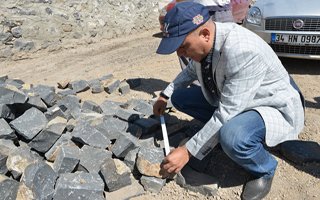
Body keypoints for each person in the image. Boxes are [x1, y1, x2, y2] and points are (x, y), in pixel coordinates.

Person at [153, 2, 305, 200]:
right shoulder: (208, 41)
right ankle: (220, 134)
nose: (180, 53)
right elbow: (190, 71)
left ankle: (265, 169)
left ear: (205, 34)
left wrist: (187, 151)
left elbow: (227, 113)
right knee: (179, 97)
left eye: (183, 46)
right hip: (235, 99)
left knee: (233, 137)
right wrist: (165, 95)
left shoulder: (242, 51)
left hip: (269, 104)